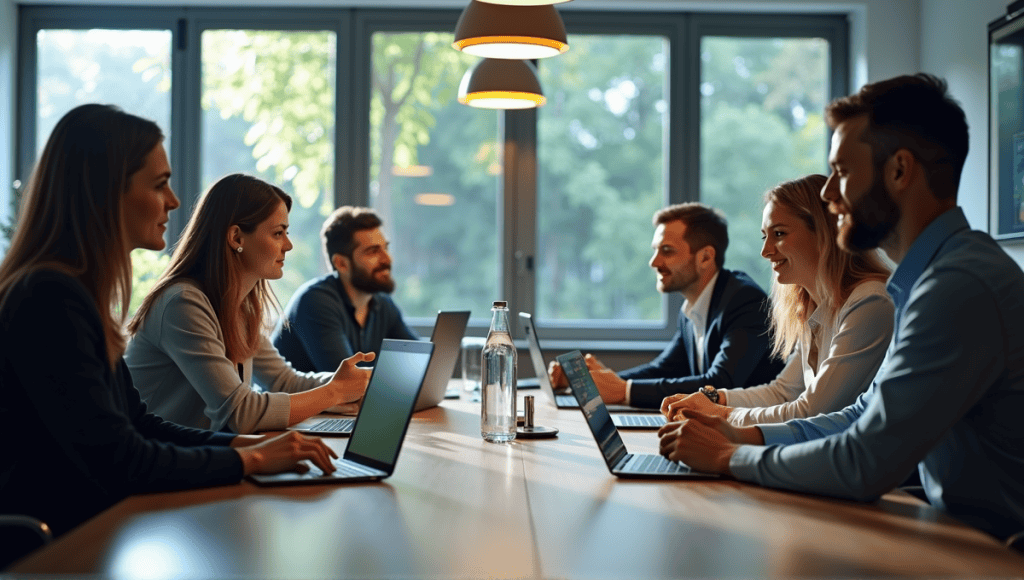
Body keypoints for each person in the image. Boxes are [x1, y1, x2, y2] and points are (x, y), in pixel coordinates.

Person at [658, 74, 1024, 540]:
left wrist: (729, 456)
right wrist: (741, 435)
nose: (829, 195)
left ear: (899, 171)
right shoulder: (930, 281)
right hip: (961, 535)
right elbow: (859, 417)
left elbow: (864, 460)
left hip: (998, 553)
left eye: (843, 172)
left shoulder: (958, 287)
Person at [0, 104, 343, 543]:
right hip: (60, 545)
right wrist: (252, 461)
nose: (175, 201)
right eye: (160, 184)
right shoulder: (49, 299)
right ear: (105, 192)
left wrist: (248, 448)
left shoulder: (75, 295)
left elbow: (141, 424)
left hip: (101, 522)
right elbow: (120, 459)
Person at [126, 174, 373, 434]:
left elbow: (283, 382)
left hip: (201, 458)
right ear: (236, 238)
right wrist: (334, 392)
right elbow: (241, 413)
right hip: (156, 466)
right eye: (278, 233)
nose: (288, 245)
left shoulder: (238, 306)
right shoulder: (183, 304)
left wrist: (353, 384)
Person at [660, 174, 893, 426]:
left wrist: (721, 415)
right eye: (765, 236)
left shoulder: (869, 302)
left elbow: (811, 412)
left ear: (823, 233)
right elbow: (782, 392)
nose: (765, 250)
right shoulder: (812, 306)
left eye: (779, 233)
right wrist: (713, 399)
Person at [549, 203, 784, 409]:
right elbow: (663, 369)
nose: (654, 262)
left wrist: (624, 390)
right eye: (655, 251)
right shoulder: (694, 307)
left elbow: (721, 382)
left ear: (705, 257)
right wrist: (592, 382)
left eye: (667, 251)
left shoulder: (745, 300)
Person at [271, 206, 417, 373]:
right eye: (373, 251)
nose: (387, 259)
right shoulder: (315, 301)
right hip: (296, 399)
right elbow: (349, 381)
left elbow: (418, 360)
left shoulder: (381, 303)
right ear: (341, 263)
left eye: (386, 248)